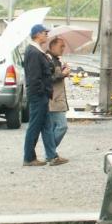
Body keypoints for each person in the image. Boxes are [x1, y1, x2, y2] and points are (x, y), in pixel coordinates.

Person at [22, 25, 68, 167]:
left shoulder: (37, 51)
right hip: (38, 96)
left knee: (47, 126)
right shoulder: (33, 52)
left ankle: (52, 156)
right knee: (34, 127)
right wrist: (43, 92)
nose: (47, 35)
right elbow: (34, 78)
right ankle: (29, 158)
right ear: (37, 34)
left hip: (42, 95)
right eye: (45, 32)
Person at [47, 37, 71, 151]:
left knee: (52, 128)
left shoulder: (55, 60)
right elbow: (48, 79)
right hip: (53, 100)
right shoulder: (48, 60)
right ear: (52, 47)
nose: (63, 48)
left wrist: (63, 70)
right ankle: (50, 151)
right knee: (62, 126)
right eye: (61, 46)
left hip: (57, 99)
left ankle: (50, 153)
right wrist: (63, 74)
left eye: (64, 46)